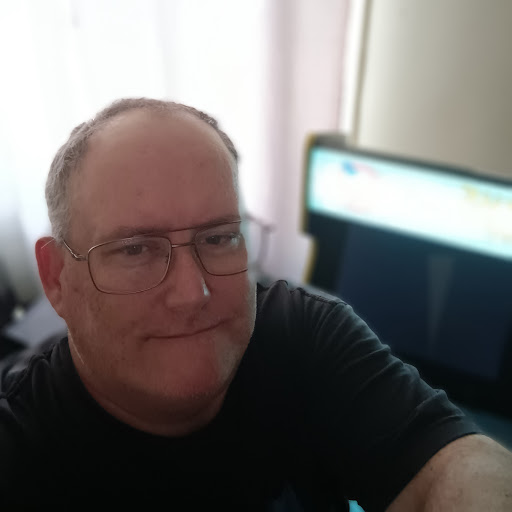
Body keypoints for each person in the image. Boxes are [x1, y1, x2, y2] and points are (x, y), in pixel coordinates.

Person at [0, 98, 511, 511]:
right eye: (135, 249)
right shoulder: (20, 445)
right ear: (57, 277)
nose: (193, 294)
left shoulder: (303, 334)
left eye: (219, 238)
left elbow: (452, 466)